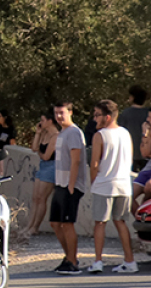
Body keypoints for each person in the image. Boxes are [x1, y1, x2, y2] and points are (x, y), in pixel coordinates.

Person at [87, 99, 137, 274]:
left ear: (107, 117)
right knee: (121, 221)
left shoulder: (100, 135)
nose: (94, 119)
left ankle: (98, 261)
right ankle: (130, 260)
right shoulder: (125, 133)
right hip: (124, 184)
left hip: (105, 184)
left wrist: (94, 182)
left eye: (97, 115)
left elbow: (94, 163)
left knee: (100, 223)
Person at [51, 101, 89, 276]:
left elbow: (76, 160)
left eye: (62, 113)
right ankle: (68, 257)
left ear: (70, 112)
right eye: (56, 113)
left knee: (67, 224)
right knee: (55, 222)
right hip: (59, 184)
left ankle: (73, 261)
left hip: (70, 185)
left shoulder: (74, 133)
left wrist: (72, 185)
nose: (59, 116)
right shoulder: (62, 133)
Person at [24, 110, 59, 238]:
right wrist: (38, 133)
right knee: (35, 198)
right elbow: (34, 148)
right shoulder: (44, 133)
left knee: (42, 197)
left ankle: (35, 227)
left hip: (51, 167)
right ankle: (29, 225)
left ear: (50, 121)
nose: (41, 122)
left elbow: (46, 156)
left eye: (43, 120)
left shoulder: (56, 136)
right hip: (42, 166)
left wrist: (39, 152)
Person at [117, 85, 149, 172]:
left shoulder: (126, 113)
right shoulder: (147, 113)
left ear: (132, 97)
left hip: (130, 153)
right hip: (147, 153)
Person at [0, 109, 16, 175]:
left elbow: (12, 142)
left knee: (4, 171)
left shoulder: (11, 129)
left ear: (4, 117)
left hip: (5, 152)